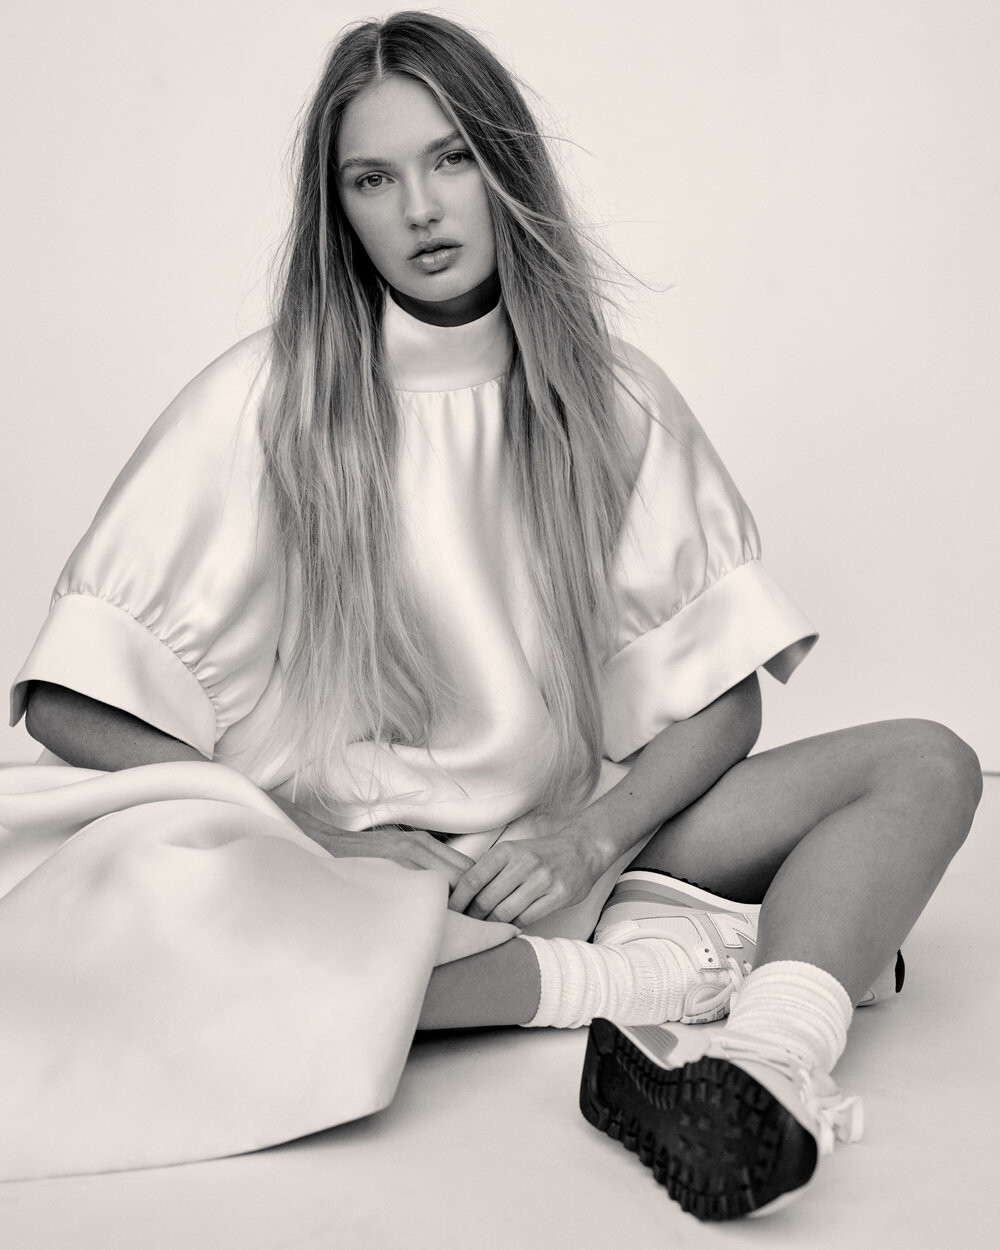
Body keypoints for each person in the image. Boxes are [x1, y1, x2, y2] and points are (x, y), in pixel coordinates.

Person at [0, 9, 981, 1221]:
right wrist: (314, 841)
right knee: (148, 936)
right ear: (337, 209)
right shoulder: (263, 399)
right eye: (373, 178)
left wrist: (589, 839)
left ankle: (769, 1057)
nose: (419, 209)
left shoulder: (611, 396)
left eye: (450, 159)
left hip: (567, 841)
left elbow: (722, 696)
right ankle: (653, 975)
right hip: (343, 869)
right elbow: (73, 702)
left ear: (504, 166)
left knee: (926, 762)